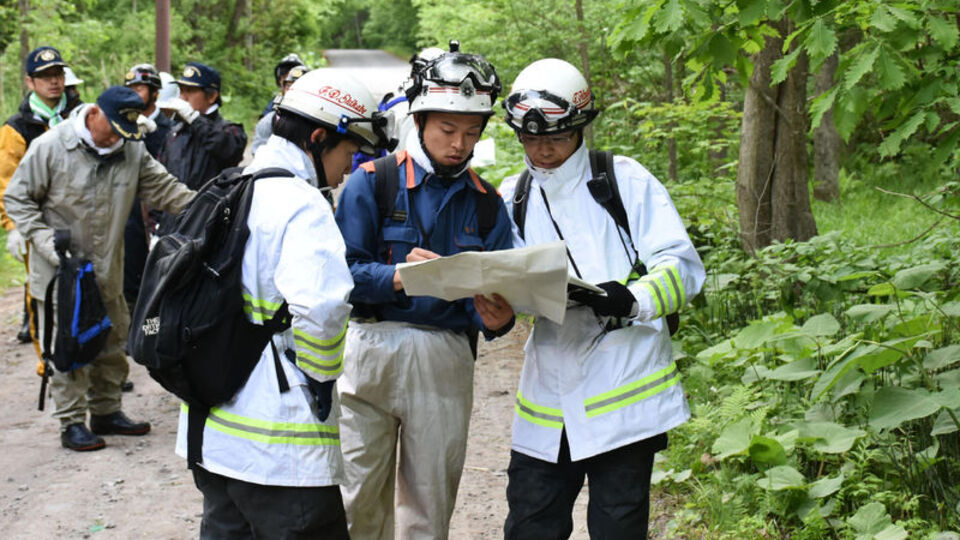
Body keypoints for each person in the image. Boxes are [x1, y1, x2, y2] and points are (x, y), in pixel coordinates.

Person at [177, 69, 392, 538]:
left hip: (212, 431)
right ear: (318, 138)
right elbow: (323, 310)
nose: (349, 167)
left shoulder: (233, 184)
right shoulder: (301, 202)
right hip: (279, 445)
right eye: (349, 152)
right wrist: (319, 383)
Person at [497, 58, 706, 539]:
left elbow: (684, 267)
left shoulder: (623, 180)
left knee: (617, 526)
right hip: (548, 395)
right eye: (530, 139)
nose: (542, 150)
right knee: (530, 523)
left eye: (554, 138)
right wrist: (497, 311)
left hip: (623, 393)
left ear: (580, 129)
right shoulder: (513, 194)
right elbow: (506, 280)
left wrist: (631, 299)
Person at [334, 42, 515, 539]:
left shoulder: (487, 204)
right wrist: (395, 276)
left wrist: (498, 320)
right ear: (418, 119)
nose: (459, 143)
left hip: (445, 359)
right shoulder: (371, 182)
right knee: (355, 501)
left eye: (472, 133)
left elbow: (499, 293)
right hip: (368, 350)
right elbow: (339, 276)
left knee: (430, 507)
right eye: (448, 129)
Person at [4, 86, 196, 452]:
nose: (117, 140)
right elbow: (17, 198)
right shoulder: (51, 147)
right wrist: (45, 243)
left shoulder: (130, 149)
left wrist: (209, 205)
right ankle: (72, 422)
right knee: (69, 345)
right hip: (62, 274)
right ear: (93, 114)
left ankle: (107, 412)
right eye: (113, 130)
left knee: (112, 339)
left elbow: (165, 189)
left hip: (108, 268)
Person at [0, 46, 70, 346]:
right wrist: (13, 227)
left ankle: (93, 370)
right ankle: (50, 367)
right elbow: (5, 183)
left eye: (57, 74)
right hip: (38, 225)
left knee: (89, 292)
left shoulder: (80, 116)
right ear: (30, 82)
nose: (53, 81)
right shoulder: (16, 129)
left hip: (82, 218)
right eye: (44, 77)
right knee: (42, 295)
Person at [122, 63, 173, 314]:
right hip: (129, 212)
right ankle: (131, 332)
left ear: (155, 92)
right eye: (130, 88)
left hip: (160, 211)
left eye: (139, 88)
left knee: (157, 279)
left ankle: (153, 332)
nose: (134, 94)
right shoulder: (122, 127)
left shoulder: (169, 129)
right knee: (129, 273)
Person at [157, 62, 246, 203]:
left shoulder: (230, 131)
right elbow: (159, 179)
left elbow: (227, 150)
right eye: (181, 91)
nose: (183, 97)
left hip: (208, 218)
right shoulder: (175, 133)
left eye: (190, 91)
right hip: (172, 220)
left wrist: (194, 119)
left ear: (212, 96)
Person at [251, 62, 307, 156]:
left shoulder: (322, 125)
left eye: (300, 87)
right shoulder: (268, 122)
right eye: (289, 87)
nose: (293, 92)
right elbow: (259, 157)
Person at [259, 53, 306, 118]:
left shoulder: (307, 102)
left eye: (293, 80)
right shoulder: (275, 102)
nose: (290, 84)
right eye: (285, 78)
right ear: (280, 81)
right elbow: (264, 122)